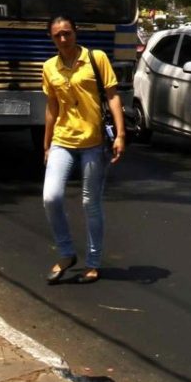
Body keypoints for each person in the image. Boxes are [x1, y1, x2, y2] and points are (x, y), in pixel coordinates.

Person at [40, 16, 125, 285]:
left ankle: (93, 262)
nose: (63, 39)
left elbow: (112, 96)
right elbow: (52, 107)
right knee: (51, 197)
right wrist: (46, 144)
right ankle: (66, 253)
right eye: (57, 36)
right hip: (62, 141)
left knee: (91, 203)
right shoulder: (49, 67)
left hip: (94, 142)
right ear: (52, 39)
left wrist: (120, 134)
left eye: (67, 33)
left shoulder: (96, 58)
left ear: (75, 33)